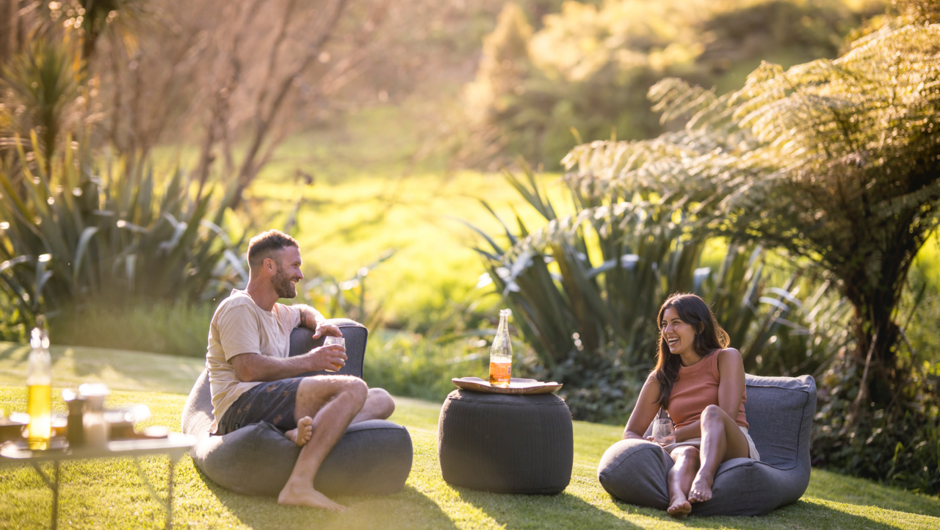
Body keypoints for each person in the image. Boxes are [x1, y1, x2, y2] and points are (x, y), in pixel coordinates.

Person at [206, 229, 395, 511]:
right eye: (295, 265)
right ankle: (299, 484)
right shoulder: (239, 307)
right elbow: (248, 369)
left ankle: (294, 432)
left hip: (267, 401)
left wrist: (320, 322)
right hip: (238, 405)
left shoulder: (278, 313)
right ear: (269, 266)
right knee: (354, 387)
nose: (300, 274)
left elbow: (304, 311)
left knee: (382, 399)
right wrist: (312, 361)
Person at [622, 293, 759, 518]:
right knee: (686, 454)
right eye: (664, 325)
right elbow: (631, 432)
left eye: (677, 323)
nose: (668, 331)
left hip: (731, 440)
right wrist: (653, 448)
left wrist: (674, 436)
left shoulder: (727, 358)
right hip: (685, 444)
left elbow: (728, 415)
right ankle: (677, 499)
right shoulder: (660, 378)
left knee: (712, 413)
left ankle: (705, 476)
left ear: (699, 327)